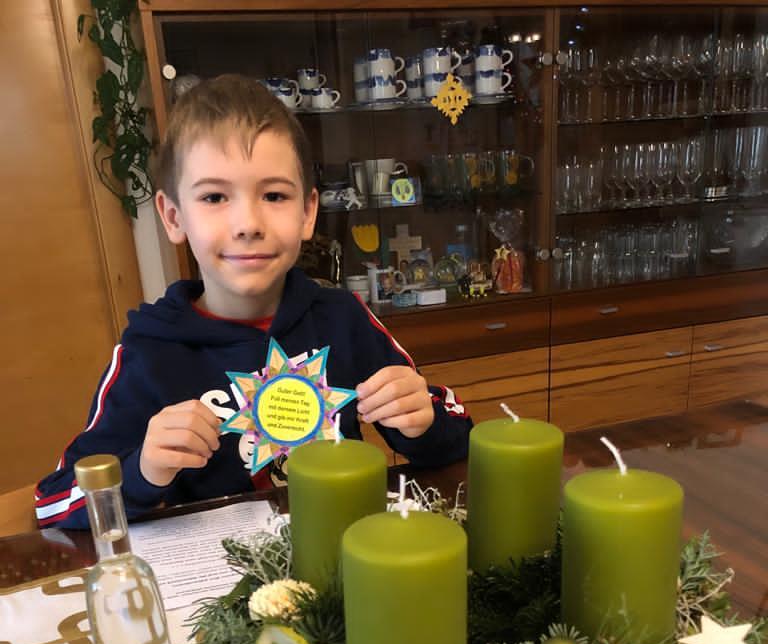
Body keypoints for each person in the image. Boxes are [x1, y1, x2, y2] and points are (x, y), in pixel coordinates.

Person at [35, 75, 471, 529]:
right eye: (214, 197)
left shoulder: (343, 319)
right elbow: (52, 503)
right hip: (218, 570)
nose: (248, 223)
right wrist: (144, 469)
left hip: (344, 553)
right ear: (174, 216)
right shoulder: (148, 353)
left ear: (307, 213)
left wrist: (422, 422)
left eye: (274, 195)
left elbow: (457, 435)